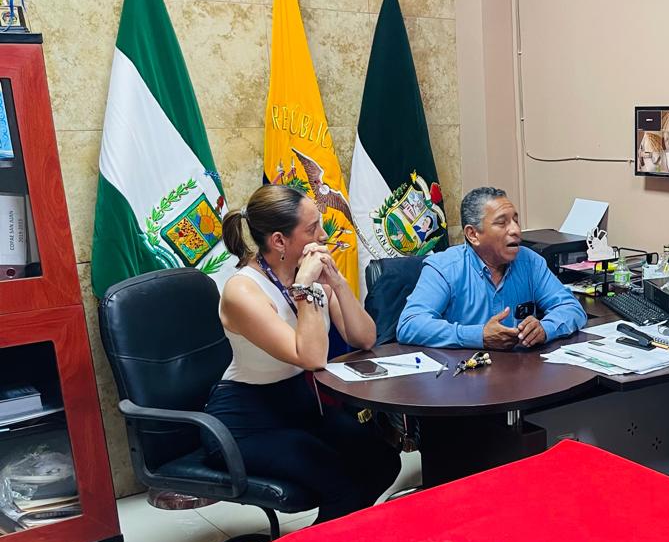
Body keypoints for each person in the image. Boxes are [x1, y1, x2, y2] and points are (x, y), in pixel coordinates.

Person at [205, 184, 401, 524]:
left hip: (298, 406)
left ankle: (337, 539)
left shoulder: (309, 276)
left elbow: (364, 337)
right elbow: (310, 358)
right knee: (340, 482)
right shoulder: (243, 291)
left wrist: (336, 282)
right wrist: (305, 288)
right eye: (312, 229)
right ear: (279, 241)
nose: (323, 235)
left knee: (383, 460)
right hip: (246, 421)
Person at [397, 186, 587, 349]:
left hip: (521, 372)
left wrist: (545, 329)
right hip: (463, 373)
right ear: (473, 235)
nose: (516, 230)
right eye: (502, 223)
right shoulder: (444, 268)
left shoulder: (530, 262)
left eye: (515, 220)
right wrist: (478, 336)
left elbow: (572, 308)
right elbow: (410, 325)